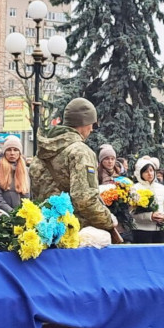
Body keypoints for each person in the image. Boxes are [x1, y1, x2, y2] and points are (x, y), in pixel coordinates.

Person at [30, 99, 117, 238]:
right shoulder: (80, 152)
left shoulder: (43, 150)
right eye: (92, 124)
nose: (92, 129)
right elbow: (84, 199)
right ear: (84, 123)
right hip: (73, 232)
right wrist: (108, 221)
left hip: (43, 230)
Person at [129, 156, 164, 244]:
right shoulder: (135, 189)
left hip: (159, 229)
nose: (149, 174)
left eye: (151, 170)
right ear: (140, 174)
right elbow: (132, 212)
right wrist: (150, 216)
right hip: (141, 230)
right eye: (146, 171)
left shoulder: (161, 188)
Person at [0, 135, 30, 214]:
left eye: (15, 150)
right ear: (4, 152)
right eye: (9, 150)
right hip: (4, 215)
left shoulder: (26, 171)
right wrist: (12, 213)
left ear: (19, 152)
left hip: (24, 215)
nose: (12, 153)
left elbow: (28, 196)